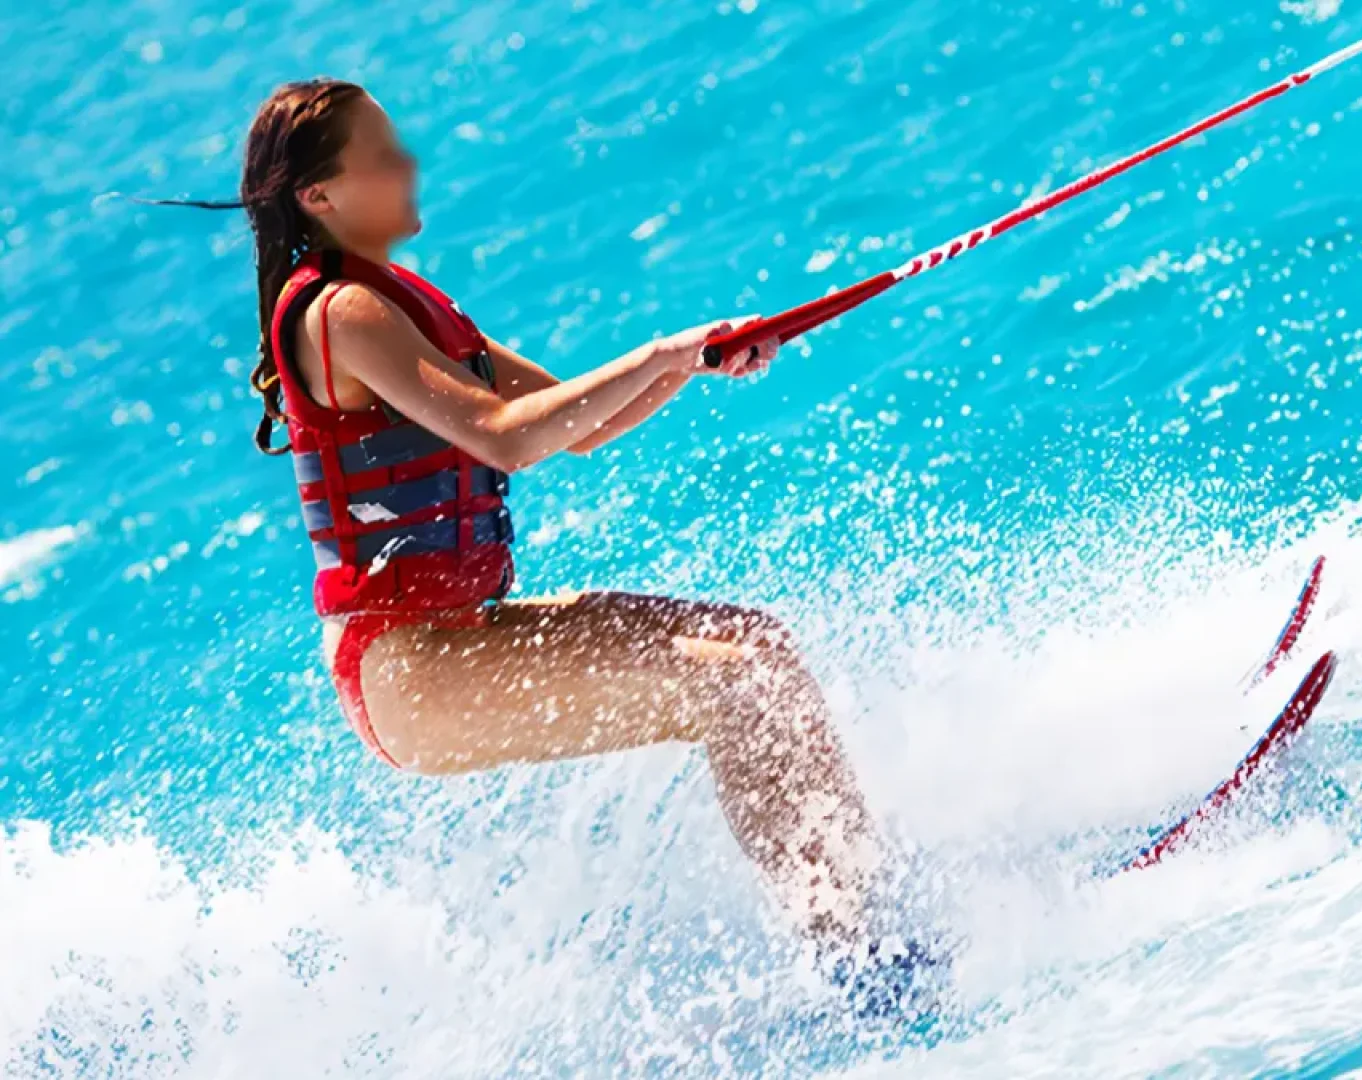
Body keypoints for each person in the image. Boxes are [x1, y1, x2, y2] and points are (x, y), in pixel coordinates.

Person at [169, 77, 927, 994]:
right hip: (409, 672)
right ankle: (860, 968)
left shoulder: (395, 297)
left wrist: (696, 358)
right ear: (319, 195)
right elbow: (504, 436)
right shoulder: (340, 312)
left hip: (458, 639)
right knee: (735, 686)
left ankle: (873, 927)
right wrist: (661, 354)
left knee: (757, 647)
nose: (408, 164)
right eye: (382, 156)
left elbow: (577, 422)